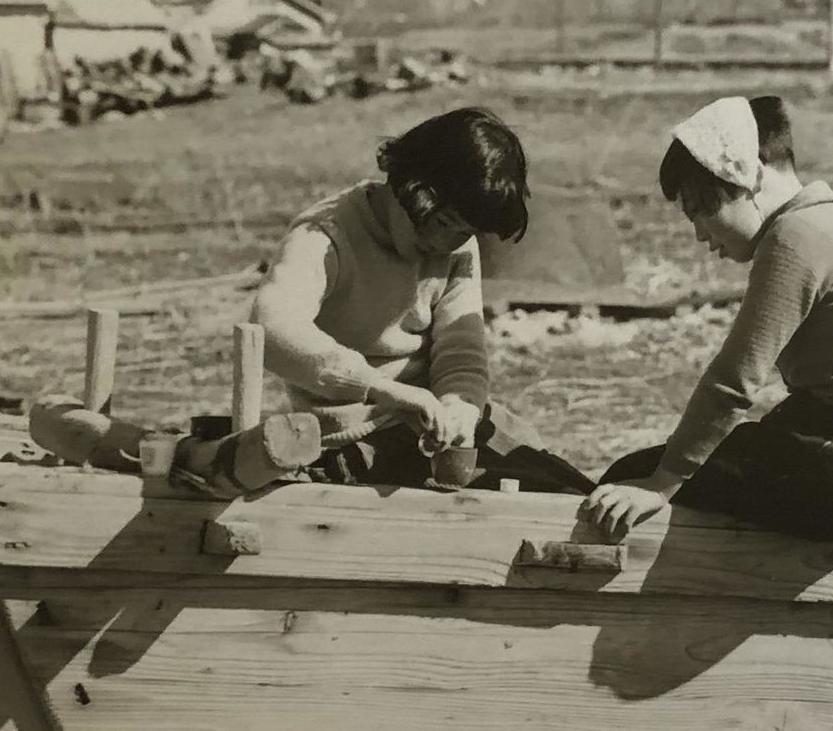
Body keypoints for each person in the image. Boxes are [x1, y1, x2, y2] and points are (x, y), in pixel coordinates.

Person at [580, 95, 833, 541]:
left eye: (702, 210)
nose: (700, 234)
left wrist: (661, 485)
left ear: (745, 179)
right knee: (725, 456)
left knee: (630, 475)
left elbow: (734, 382)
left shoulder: (795, 237)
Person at [251, 106, 593, 494]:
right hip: (355, 435)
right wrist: (383, 389)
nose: (444, 245)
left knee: (565, 490)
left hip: (433, 429)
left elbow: (461, 348)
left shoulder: (456, 245)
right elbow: (272, 328)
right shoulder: (327, 236)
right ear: (408, 187)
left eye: (465, 233)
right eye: (443, 224)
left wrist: (461, 407)